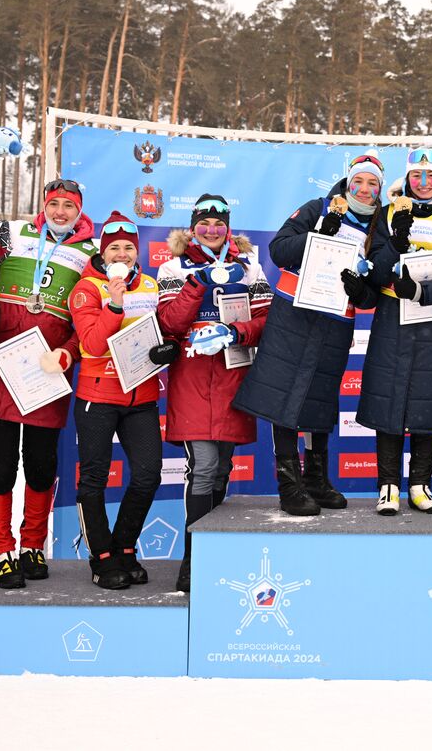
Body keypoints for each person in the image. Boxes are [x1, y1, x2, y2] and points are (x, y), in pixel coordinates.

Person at [0, 135, 96, 588]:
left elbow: (90, 317)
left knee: (40, 466)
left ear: (79, 211)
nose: (60, 212)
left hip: (47, 373)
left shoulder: (93, 254)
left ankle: (33, 545)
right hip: (2, 369)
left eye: (69, 206)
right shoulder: (15, 235)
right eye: (54, 204)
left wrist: (68, 352)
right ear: (44, 206)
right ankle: (1, 552)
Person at [234, 151, 384, 515]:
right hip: (293, 316)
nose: (364, 189)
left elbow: (372, 294)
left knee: (320, 398)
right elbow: (279, 250)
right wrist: (316, 235)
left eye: (372, 183)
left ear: (379, 189)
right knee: (283, 398)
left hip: (335, 321)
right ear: (348, 182)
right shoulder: (319, 207)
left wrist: (359, 291)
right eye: (358, 181)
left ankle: (316, 479)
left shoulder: (380, 226)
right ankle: (290, 485)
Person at [157, 194, 272, 592]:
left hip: (233, 373)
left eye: (218, 223)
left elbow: (266, 320)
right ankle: (193, 558)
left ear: (228, 227)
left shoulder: (249, 265)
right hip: (191, 373)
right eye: (203, 223)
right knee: (203, 466)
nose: (211, 229)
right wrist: (197, 283)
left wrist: (233, 332)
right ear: (193, 228)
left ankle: (213, 550)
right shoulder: (174, 266)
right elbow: (169, 323)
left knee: (222, 467)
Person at [358, 147, 432, 515]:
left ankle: (420, 485)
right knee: (389, 402)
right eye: (416, 176)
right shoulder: (388, 213)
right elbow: (374, 271)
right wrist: (394, 247)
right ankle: (388, 486)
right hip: (393, 319)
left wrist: (423, 291)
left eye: (431, 176)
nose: (424, 183)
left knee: (430, 402)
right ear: (407, 178)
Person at [68, 211, 172, 590]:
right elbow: (93, 344)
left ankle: (125, 547)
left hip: (141, 396)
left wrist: (167, 349)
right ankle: (102, 556)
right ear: (102, 252)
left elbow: (160, 332)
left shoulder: (150, 284)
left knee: (148, 474)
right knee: (94, 479)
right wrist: (114, 304)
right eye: (114, 248)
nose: (122, 254)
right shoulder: (86, 289)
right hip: (98, 395)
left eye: (129, 247)